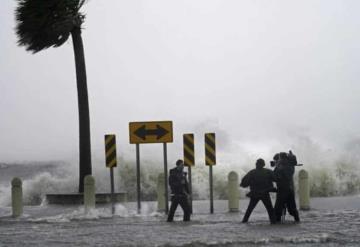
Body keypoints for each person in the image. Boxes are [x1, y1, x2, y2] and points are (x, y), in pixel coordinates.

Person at [240, 158, 276, 224]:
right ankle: (273, 222)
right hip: (265, 193)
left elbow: (244, 183)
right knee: (270, 209)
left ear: (257, 164)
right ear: (263, 165)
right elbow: (276, 178)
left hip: (255, 193)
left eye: (256, 163)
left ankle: (244, 221)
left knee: (249, 209)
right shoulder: (268, 172)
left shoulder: (252, 172)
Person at [273, 151, 300, 223]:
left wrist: (276, 167)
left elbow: (274, 177)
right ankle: (297, 220)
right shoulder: (291, 165)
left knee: (278, 209)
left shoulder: (280, 167)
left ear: (280, 158)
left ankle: (277, 222)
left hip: (282, 190)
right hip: (290, 189)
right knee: (292, 208)